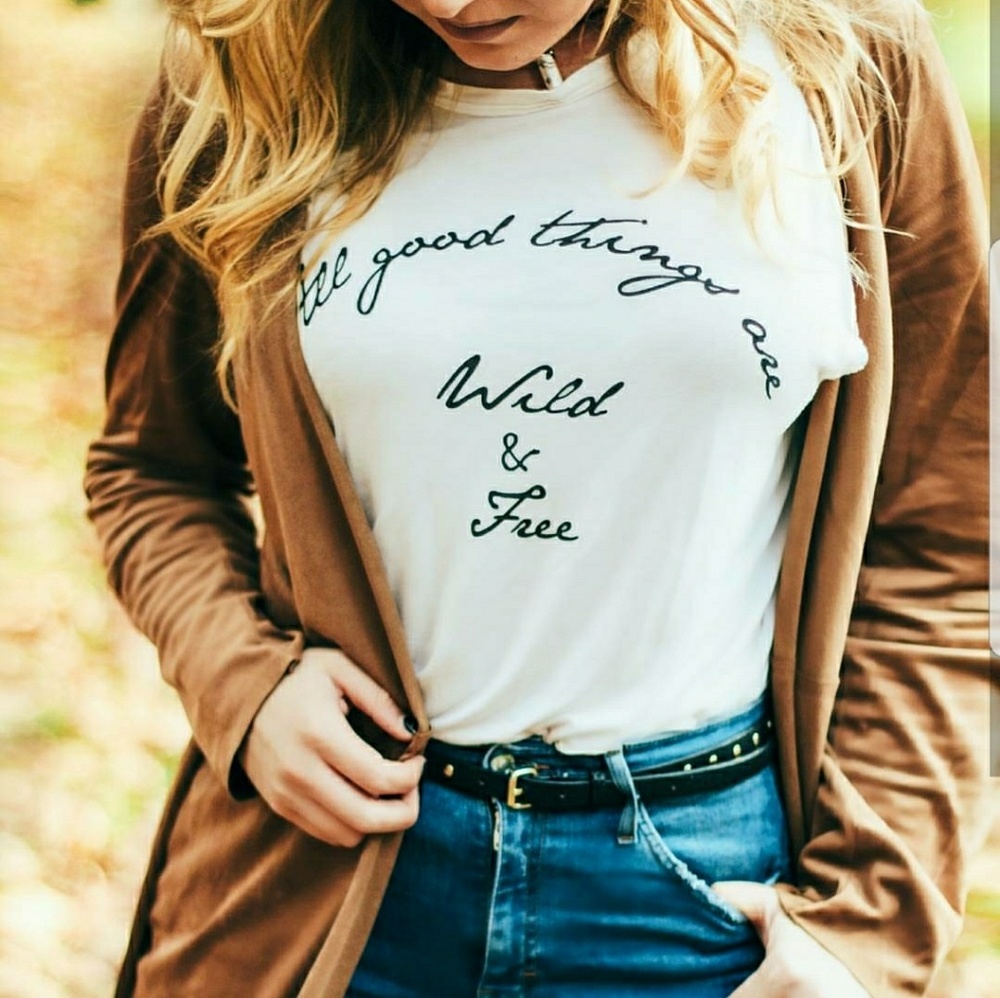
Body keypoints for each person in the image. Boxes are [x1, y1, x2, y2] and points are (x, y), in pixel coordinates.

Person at [85, 0, 992, 995]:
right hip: (330, 881)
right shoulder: (244, 77)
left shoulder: (846, 56)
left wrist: (871, 920)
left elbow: (947, 535)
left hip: (702, 902)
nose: (453, 3)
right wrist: (244, 686)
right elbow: (152, 468)